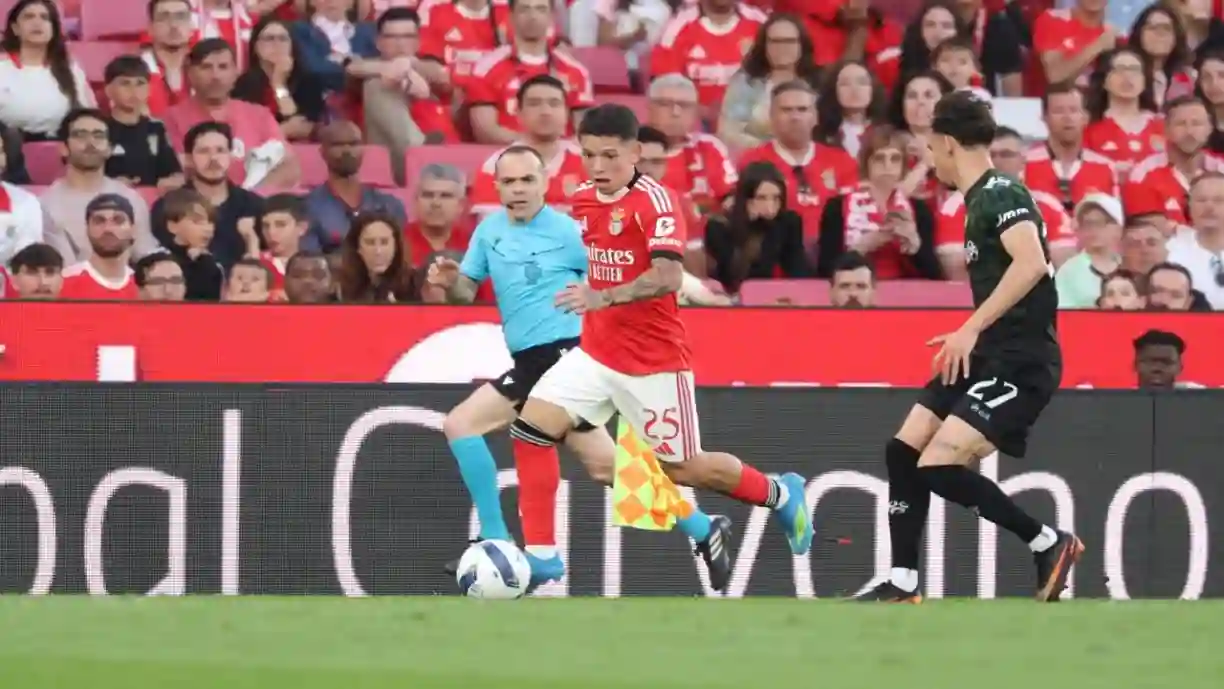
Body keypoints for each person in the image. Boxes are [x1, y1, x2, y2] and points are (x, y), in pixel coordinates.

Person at [509, 104, 814, 588]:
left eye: (610, 155)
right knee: (530, 430)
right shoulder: (585, 198)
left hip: (652, 363)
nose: (599, 166)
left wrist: (602, 296)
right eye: (589, 155)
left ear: (635, 153)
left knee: (683, 467)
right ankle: (543, 557)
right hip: (595, 352)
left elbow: (668, 276)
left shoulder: (657, 202)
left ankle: (780, 493)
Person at [426, 145, 734, 591]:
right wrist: (452, 282)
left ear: (544, 183)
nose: (517, 190)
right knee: (607, 468)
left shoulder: (571, 232)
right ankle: (704, 530)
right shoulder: (488, 233)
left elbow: (635, 265)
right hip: (531, 358)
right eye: (508, 182)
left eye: (526, 180)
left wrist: (702, 294)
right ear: (495, 187)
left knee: (462, 425)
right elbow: (465, 292)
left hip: (566, 352)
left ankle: (503, 541)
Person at [855, 90, 1082, 604]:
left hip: (1022, 361)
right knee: (904, 448)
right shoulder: (978, 199)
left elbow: (1031, 265)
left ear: (949, 143)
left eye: (932, 150)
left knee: (937, 464)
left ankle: (1048, 541)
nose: (931, 162)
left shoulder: (1001, 193)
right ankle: (902, 581)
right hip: (986, 354)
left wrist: (971, 327)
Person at [703, 161, 810, 294]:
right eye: (761, 198)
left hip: (772, 298)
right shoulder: (719, 226)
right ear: (746, 198)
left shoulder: (788, 222)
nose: (770, 206)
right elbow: (731, 276)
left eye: (776, 198)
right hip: (727, 299)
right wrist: (753, 226)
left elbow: (797, 268)